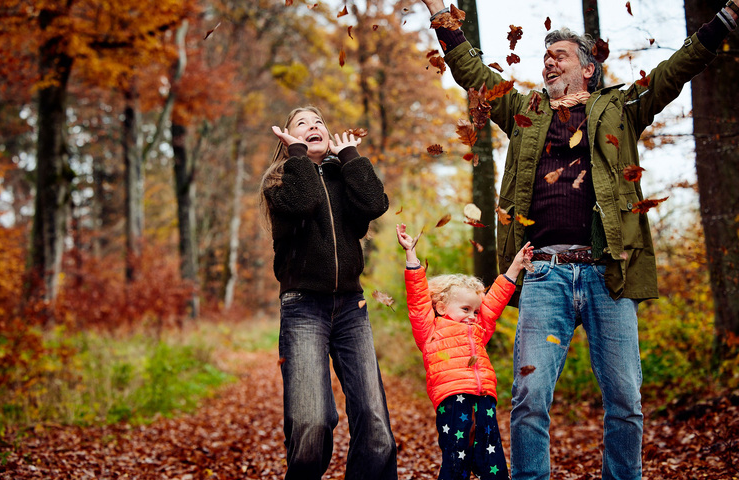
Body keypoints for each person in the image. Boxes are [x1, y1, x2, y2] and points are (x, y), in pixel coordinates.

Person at [419, 1, 739, 479]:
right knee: (528, 399)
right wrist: (442, 15)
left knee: (625, 399)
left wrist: (725, 22)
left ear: (588, 68)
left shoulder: (621, 108)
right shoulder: (523, 107)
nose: (549, 61)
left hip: (607, 272)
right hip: (543, 272)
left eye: (561, 55)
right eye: (546, 56)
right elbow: (473, 73)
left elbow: (676, 70)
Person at [260, 106, 397, 480]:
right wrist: (298, 158)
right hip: (304, 308)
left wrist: (351, 157)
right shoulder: (280, 186)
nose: (313, 126)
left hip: (352, 307)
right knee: (312, 422)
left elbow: (374, 204)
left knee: (375, 424)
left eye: (318, 122)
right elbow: (304, 202)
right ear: (287, 139)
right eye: (301, 124)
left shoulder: (343, 178)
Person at [396, 223, 533, 480]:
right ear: (439, 306)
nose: (472, 316)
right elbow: (416, 301)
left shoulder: (479, 328)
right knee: (456, 457)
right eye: (465, 309)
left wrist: (515, 266)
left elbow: (494, 301)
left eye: (475, 311)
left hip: (484, 399)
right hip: (453, 398)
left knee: (491, 459)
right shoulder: (430, 330)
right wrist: (411, 256)